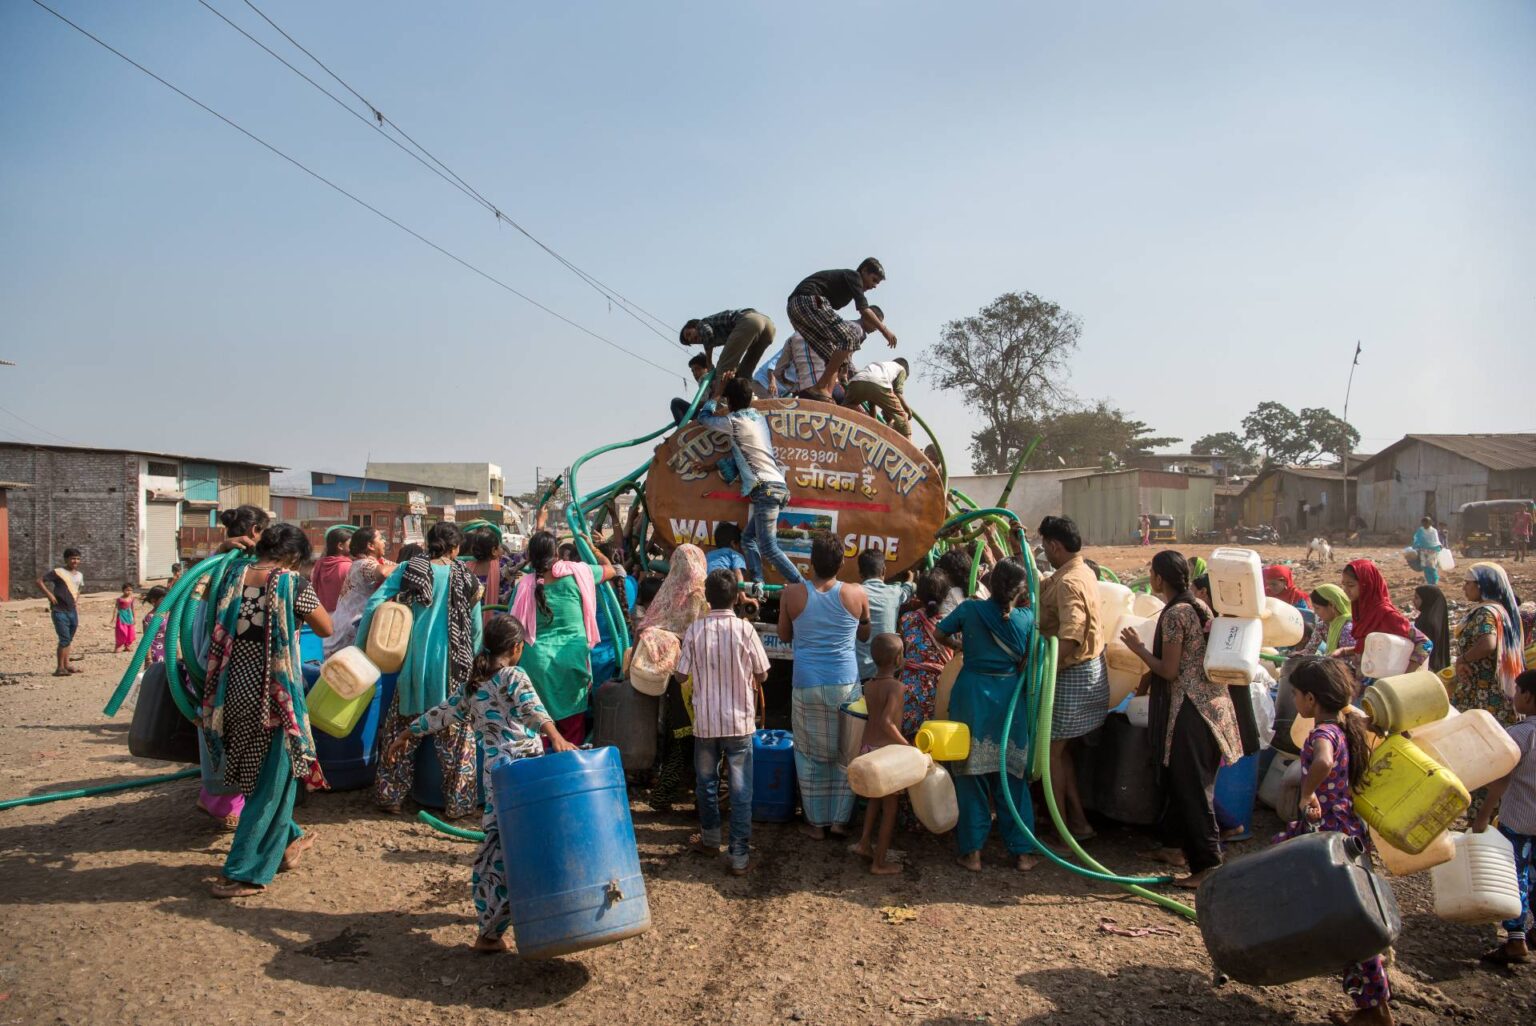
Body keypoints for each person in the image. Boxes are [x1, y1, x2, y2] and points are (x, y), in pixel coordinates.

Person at [385, 613, 573, 949]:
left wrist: (406, 733)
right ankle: (538, 918)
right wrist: (555, 735)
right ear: (516, 648)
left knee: (497, 847)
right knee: (531, 846)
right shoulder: (514, 674)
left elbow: (441, 713)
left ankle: (490, 928)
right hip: (525, 774)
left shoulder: (474, 685)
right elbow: (531, 708)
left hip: (495, 779)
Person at [200, 524, 331, 897]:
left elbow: (201, 594)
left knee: (260, 778)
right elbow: (326, 627)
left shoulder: (229, 575)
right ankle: (242, 871)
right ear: (293, 556)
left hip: (227, 692)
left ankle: (290, 842)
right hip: (272, 695)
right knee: (272, 783)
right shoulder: (293, 584)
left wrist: (222, 550)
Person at [1271, 658, 1392, 1024]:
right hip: (1344, 829)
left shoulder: (1322, 733)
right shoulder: (1343, 724)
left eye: (1294, 694)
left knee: (1346, 919)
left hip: (1329, 836)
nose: (1293, 701)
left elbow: (1322, 762)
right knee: (1343, 912)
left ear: (1310, 698)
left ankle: (1374, 1009)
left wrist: (1307, 793)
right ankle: (1373, 998)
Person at [1123, 550, 1243, 888]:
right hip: (1213, 705)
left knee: (1192, 786)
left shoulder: (1176, 614)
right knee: (1184, 781)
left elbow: (1170, 669)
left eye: (1151, 572)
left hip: (1191, 711)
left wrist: (1138, 649)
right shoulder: (1200, 605)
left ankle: (1209, 865)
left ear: (1159, 578)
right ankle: (1174, 848)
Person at [357, 522, 485, 818]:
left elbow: (375, 603)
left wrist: (363, 645)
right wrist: (473, 662)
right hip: (453, 668)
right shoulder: (468, 578)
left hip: (414, 666)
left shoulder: (409, 569)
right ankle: (459, 804)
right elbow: (476, 631)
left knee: (401, 731)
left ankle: (391, 796)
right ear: (455, 549)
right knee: (457, 739)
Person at [934, 557, 1040, 871]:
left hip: (972, 697)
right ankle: (1022, 853)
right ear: (1019, 592)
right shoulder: (1027, 618)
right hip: (1009, 700)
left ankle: (973, 853)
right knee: (1012, 777)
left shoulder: (969, 610)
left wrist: (962, 646)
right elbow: (1033, 656)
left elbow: (939, 635)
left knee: (970, 775)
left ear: (990, 585)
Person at [676, 568, 770, 876]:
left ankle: (711, 838)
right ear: (736, 598)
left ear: (707, 597)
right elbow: (763, 673)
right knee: (741, 790)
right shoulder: (745, 630)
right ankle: (739, 856)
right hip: (740, 722)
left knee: (707, 784)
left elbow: (681, 674)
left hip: (706, 722)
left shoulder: (695, 630)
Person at [778, 532, 869, 838]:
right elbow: (865, 635)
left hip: (807, 683)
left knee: (809, 752)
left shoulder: (791, 594)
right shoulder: (857, 594)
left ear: (810, 563)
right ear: (842, 562)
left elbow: (785, 636)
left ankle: (816, 824)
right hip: (846, 683)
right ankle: (841, 821)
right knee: (847, 751)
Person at [507, 531, 624, 748]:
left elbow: (511, 623)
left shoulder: (524, 585)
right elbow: (613, 569)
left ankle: (542, 776)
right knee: (573, 732)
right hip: (571, 659)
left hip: (536, 663)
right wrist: (593, 548)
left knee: (539, 730)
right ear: (556, 553)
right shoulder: (578, 573)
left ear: (531, 556)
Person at [1037, 515, 1109, 840]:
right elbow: (1041, 581)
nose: (1044, 553)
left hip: (1072, 674)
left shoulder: (1068, 582)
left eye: (1044, 547)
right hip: (1088, 672)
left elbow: (1072, 635)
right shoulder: (1081, 570)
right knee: (1059, 751)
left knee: (1050, 753)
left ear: (1054, 545)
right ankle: (1077, 824)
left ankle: (1062, 830)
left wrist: (1039, 665)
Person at [698, 377, 804, 585]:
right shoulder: (758, 418)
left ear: (729, 401)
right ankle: (758, 584)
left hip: (765, 489)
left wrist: (716, 394)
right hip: (775, 486)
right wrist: (713, 466)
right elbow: (744, 454)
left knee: (768, 547)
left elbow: (704, 419)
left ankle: (802, 585)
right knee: (748, 539)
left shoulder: (734, 422)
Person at [1471, 669, 1536, 967]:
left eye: (1517, 691)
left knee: (1516, 876)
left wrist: (1483, 816)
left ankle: (1515, 939)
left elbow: (1500, 781)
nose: (1513, 697)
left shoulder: (1519, 735)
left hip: (1518, 821)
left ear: (1529, 697)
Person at [785, 259, 896, 400]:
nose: (873, 286)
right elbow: (864, 309)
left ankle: (825, 394)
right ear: (864, 271)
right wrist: (884, 330)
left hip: (795, 309)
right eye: (873, 280)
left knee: (837, 357)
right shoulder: (854, 276)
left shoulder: (847, 287)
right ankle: (820, 387)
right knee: (849, 337)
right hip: (806, 301)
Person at [850, 633, 911, 875]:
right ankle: (880, 862)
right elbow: (887, 722)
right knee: (890, 810)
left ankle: (864, 843)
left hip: (868, 751)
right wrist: (908, 746)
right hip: (886, 758)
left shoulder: (870, 685)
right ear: (899, 658)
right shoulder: (896, 687)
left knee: (873, 800)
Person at [1454, 562, 1527, 726]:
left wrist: (1462, 659)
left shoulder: (1485, 612)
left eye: (1468, 583)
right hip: (1491, 690)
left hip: (1483, 691)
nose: (1464, 588)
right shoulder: (1498, 610)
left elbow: (1488, 644)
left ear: (1483, 585)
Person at [1333, 560, 1431, 675]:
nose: (1345, 590)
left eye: (1351, 585)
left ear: (1367, 584)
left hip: (1382, 684)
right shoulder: (1361, 611)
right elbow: (1372, 645)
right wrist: (1345, 651)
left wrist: (1406, 676)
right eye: (1343, 585)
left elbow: (1425, 643)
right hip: (1364, 679)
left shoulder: (1385, 614)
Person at [899, 570, 956, 739]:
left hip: (910, 688)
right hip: (940, 688)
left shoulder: (907, 619)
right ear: (946, 594)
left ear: (918, 594)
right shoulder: (953, 621)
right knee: (935, 741)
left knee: (909, 742)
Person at [323, 526, 396, 657]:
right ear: (371, 546)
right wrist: (404, 566)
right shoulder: (362, 564)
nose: (384, 542)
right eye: (381, 539)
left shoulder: (376, 561)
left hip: (345, 626)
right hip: (348, 632)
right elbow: (384, 572)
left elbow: (390, 565)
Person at [679, 308, 777, 397]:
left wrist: (709, 362)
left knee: (722, 369)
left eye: (689, 334)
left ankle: (716, 404)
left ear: (694, 326)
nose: (691, 338)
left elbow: (708, 334)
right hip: (768, 327)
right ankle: (748, 399)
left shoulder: (702, 324)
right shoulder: (717, 335)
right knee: (744, 372)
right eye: (690, 341)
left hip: (750, 320)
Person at [855, 548, 914, 683]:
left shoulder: (854, 594)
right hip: (886, 673)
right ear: (883, 571)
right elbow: (907, 591)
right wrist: (910, 578)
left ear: (860, 573)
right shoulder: (894, 593)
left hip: (860, 671)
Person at [37, 547, 84, 676]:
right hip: (59, 610)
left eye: (78, 559)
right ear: (66, 559)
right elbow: (39, 581)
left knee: (69, 639)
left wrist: (76, 600)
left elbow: (79, 588)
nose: (75, 561)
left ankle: (67, 665)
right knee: (64, 639)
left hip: (72, 611)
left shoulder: (79, 575)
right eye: (73, 558)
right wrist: (49, 595)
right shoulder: (58, 572)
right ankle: (59, 668)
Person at [843, 358, 913, 436]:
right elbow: (898, 392)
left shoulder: (880, 366)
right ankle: (907, 444)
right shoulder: (901, 369)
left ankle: (838, 426)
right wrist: (907, 409)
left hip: (857, 380)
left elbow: (872, 405)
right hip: (880, 385)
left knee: (846, 407)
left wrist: (874, 427)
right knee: (901, 416)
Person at [310, 526, 355, 613]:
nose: (353, 546)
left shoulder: (319, 564)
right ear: (340, 546)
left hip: (322, 614)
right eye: (351, 543)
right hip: (343, 615)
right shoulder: (348, 567)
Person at [1308, 585, 1356, 657]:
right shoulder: (1322, 626)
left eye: (1317, 608)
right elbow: (1309, 650)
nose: (1315, 612)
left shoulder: (1347, 629)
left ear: (1332, 605)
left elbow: (1352, 662)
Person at [1413, 584, 1451, 674]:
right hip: (1438, 667)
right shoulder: (1437, 619)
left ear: (1427, 600)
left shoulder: (1426, 621)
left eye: (1417, 598)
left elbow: (1423, 648)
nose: (1413, 601)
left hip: (1426, 667)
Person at [670, 353, 713, 425]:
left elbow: (705, 401)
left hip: (711, 415)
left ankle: (681, 430)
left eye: (697, 369)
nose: (695, 373)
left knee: (676, 402)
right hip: (709, 413)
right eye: (693, 371)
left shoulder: (704, 378)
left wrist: (693, 407)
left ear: (706, 369)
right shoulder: (710, 378)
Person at [1410, 517, 1443, 586]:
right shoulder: (1420, 530)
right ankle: (1429, 582)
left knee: (1432, 566)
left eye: (1426, 523)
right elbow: (1416, 539)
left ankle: (1434, 581)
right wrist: (1415, 546)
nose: (1425, 525)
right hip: (1423, 550)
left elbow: (1436, 540)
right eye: (1423, 524)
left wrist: (1439, 545)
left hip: (1432, 551)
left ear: (1430, 523)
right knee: (1425, 566)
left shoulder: (1434, 531)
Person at [141, 585, 169, 665]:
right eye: (163, 599)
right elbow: (147, 641)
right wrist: (148, 659)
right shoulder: (149, 618)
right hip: (156, 653)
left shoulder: (168, 614)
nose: (166, 602)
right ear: (154, 600)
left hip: (169, 651)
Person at [112, 584, 136, 653]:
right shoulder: (119, 599)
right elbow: (116, 608)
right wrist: (113, 617)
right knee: (121, 631)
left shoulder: (131, 598)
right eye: (127, 590)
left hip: (129, 616)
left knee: (130, 631)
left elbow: (133, 608)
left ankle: (127, 645)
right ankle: (118, 645)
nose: (129, 592)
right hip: (122, 616)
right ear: (123, 590)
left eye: (131, 590)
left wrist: (134, 618)